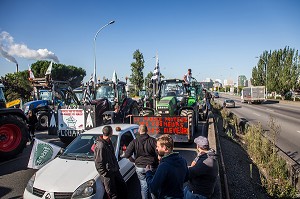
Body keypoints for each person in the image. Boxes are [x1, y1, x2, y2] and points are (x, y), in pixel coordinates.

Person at [145, 134, 188, 199]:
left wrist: (148, 172)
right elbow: (186, 177)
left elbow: (153, 187)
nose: (156, 148)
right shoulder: (183, 160)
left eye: (158, 147)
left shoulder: (164, 166)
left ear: (165, 148)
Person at [124, 124, 159, 199]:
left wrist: (134, 161)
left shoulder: (134, 142)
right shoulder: (152, 141)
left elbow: (127, 155)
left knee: (144, 186)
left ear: (139, 131)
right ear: (147, 131)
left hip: (140, 166)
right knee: (153, 185)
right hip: (151, 166)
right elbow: (158, 154)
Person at [94, 125, 128, 199]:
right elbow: (98, 162)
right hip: (108, 174)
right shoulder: (101, 145)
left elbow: (112, 155)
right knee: (112, 193)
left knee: (122, 187)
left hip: (114, 170)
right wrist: (105, 173)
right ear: (110, 133)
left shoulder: (108, 141)